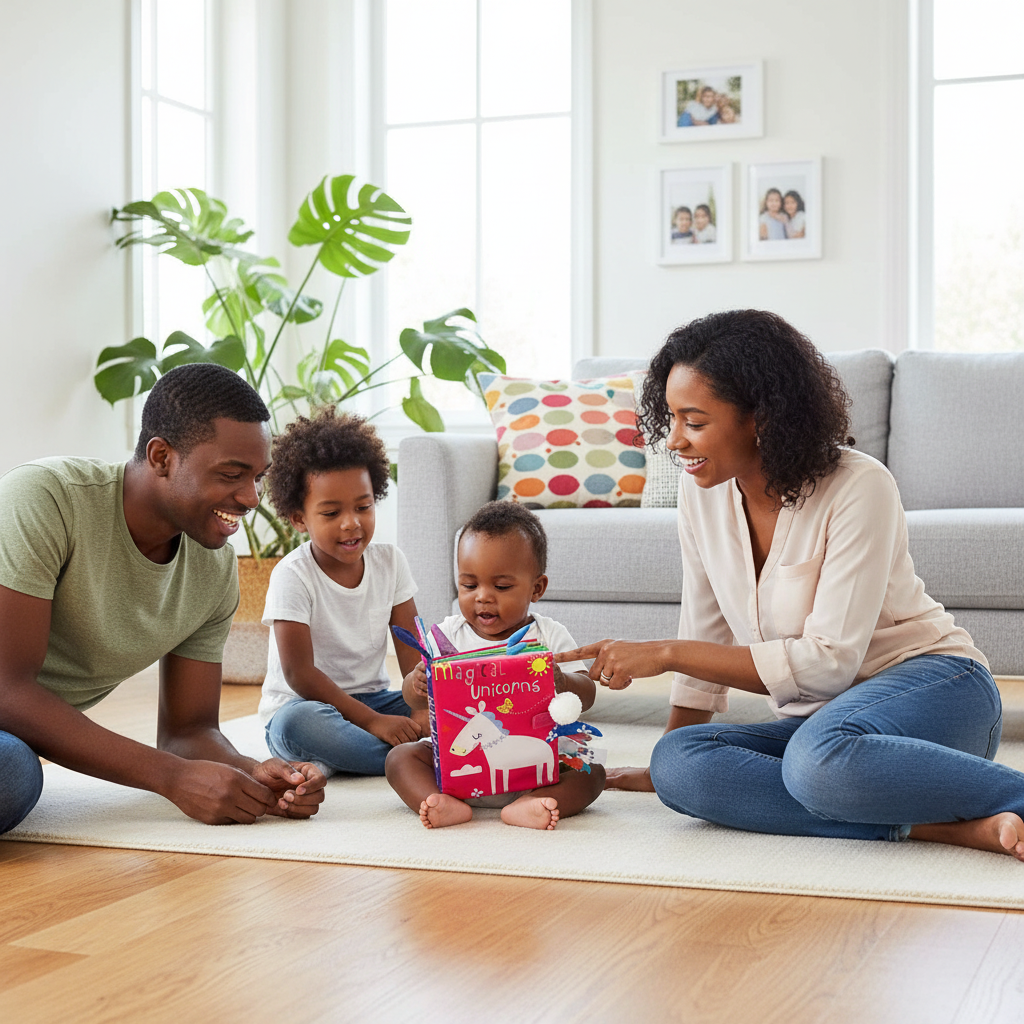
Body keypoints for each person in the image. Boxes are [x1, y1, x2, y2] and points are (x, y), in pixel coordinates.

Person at [555, 309, 1024, 861]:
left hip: (936, 693)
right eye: (672, 418)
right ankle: (940, 828)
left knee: (817, 763)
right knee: (681, 765)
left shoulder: (858, 486)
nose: (674, 441)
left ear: (760, 416)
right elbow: (706, 623)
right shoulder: (700, 494)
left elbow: (829, 664)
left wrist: (666, 654)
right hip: (822, 728)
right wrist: (666, 758)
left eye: (695, 421)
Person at [0, 363, 326, 834]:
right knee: (11, 772)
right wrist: (171, 778)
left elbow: (188, 732)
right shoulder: (46, 500)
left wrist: (249, 772)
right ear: (161, 457)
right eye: (232, 474)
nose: (252, 498)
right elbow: (8, 692)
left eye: (257, 476)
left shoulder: (212, 571)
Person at [386, 502, 605, 830]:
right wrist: (416, 683)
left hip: (537, 770)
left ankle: (532, 804)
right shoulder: (447, 635)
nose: (483, 597)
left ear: (537, 588)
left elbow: (587, 694)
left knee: (592, 771)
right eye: (469, 585)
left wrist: (562, 682)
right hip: (457, 767)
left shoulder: (548, 634)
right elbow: (413, 700)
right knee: (399, 759)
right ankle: (439, 801)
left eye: (501, 587)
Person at [258, 407, 426, 780]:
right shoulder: (292, 575)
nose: (352, 523)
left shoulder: (391, 562)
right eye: (331, 513)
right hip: (307, 706)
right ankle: (419, 755)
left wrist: (419, 708)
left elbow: (414, 656)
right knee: (297, 726)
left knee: (457, 706)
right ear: (299, 518)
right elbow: (299, 674)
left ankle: (372, 755)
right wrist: (373, 722)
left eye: (363, 507)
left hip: (376, 699)